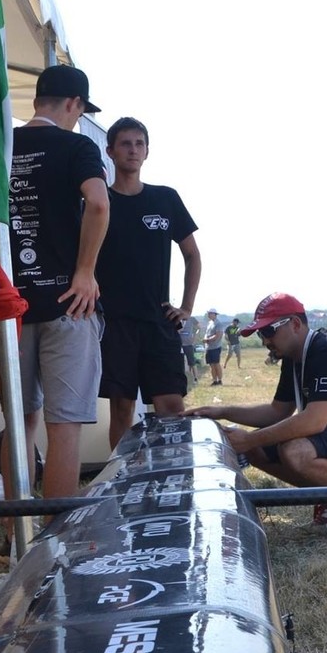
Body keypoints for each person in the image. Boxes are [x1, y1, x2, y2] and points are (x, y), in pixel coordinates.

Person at [0, 64, 109, 500]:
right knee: (63, 427)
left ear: (37, 101)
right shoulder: (77, 146)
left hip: (12, 310)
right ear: (74, 104)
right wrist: (85, 271)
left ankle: (17, 533)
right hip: (69, 305)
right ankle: (54, 534)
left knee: (20, 424)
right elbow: (98, 203)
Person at [185, 292, 327, 541]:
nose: (265, 340)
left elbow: (313, 421)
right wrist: (222, 411)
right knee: (257, 451)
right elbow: (277, 411)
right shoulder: (294, 357)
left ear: (295, 324)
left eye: (269, 331)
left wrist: (249, 439)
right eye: (260, 334)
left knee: (294, 450)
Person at [94, 116, 201, 450]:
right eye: (125, 144)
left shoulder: (165, 199)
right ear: (110, 151)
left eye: (139, 144)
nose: (133, 150)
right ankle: (123, 475)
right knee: (122, 409)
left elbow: (192, 255)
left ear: (147, 151)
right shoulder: (98, 204)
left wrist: (186, 307)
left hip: (159, 321)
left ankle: (176, 472)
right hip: (115, 324)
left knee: (172, 406)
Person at [202, 307, 225, 386]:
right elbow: (207, 333)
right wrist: (205, 339)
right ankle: (215, 380)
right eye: (208, 313)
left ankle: (220, 380)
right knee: (211, 365)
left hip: (215, 347)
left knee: (216, 363)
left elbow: (218, 335)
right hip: (208, 347)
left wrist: (207, 340)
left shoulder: (218, 324)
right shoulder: (209, 323)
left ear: (215, 314)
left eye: (210, 313)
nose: (209, 315)